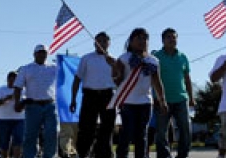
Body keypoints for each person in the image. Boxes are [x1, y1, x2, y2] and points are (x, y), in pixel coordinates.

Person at [112, 28, 167, 158]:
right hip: (127, 102)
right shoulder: (124, 58)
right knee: (126, 133)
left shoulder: (153, 60)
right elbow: (116, 81)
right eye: (139, 38)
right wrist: (116, 71)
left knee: (141, 135)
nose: (142, 41)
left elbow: (157, 82)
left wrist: (162, 100)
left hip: (145, 102)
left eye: (145, 38)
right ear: (131, 41)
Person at [71, 32, 116, 158]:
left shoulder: (114, 60)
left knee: (107, 128)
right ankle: (83, 154)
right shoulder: (86, 58)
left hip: (108, 95)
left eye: (104, 41)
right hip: (90, 96)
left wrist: (114, 65)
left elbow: (119, 80)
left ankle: (104, 154)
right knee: (86, 128)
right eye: (99, 41)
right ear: (94, 43)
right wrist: (73, 99)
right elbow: (77, 79)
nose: (101, 43)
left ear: (109, 43)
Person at [153, 28, 195, 158]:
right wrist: (158, 98)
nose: (172, 40)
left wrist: (191, 97)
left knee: (186, 129)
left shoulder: (183, 57)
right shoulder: (156, 57)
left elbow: (187, 79)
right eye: (169, 37)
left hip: (181, 99)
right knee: (161, 131)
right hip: (162, 100)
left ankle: (182, 154)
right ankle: (164, 155)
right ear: (163, 40)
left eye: (174, 37)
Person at [13, 44, 58, 158]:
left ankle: (49, 156)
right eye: (40, 52)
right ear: (34, 54)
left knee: (51, 133)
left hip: (50, 105)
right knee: (30, 135)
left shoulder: (54, 67)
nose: (42, 54)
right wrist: (17, 102)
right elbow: (18, 87)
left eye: (44, 52)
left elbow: (65, 79)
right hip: (33, 105)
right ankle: (29, 156)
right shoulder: (26, 68)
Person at [0, 72, 25, 158]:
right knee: (4, 142)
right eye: (10, 80)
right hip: (4, 119)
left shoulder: (23, 90)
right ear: (7, 80)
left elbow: (26, 103)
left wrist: (21, 104)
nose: (12, 82)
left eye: (14, 80)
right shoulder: (1, 90)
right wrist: (7, 98)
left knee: (18, 141)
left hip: (19, 119)